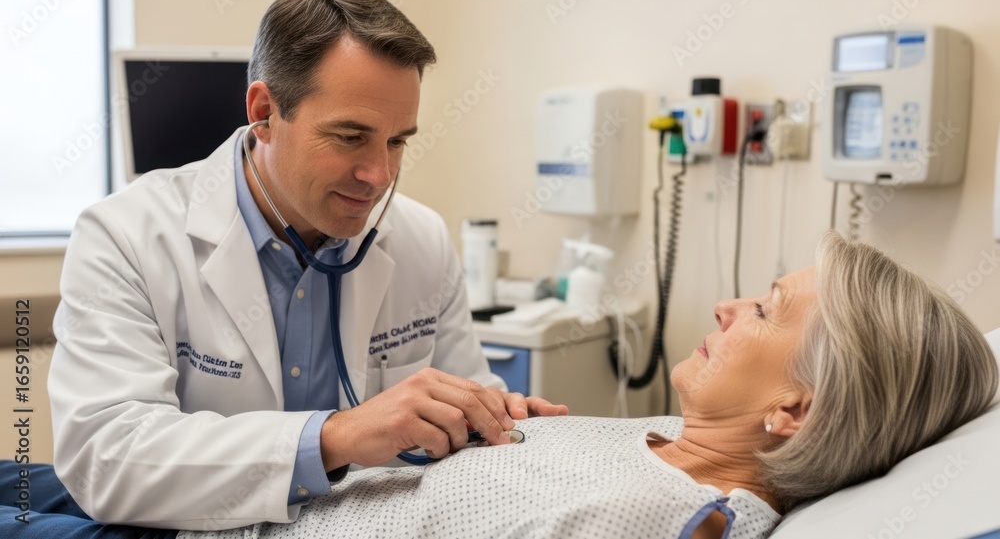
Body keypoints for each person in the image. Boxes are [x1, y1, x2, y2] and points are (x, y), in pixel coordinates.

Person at [13, 233, 997, 538]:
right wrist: (479, 427)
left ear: (793, 411)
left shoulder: (671, 512)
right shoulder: (659, 437)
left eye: (770, 310)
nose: (734, 303)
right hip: (230, 496)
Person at [46, 0, 566, 531]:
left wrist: (495, 420)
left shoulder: (421, 239)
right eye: (350, 137)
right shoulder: (126, 235)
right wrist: (337, 437)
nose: (380, 174)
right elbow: (107, 459)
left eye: (397, 142)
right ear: (264, 113)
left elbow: (465, 399)